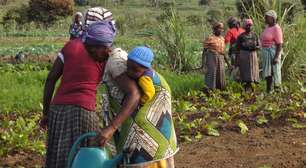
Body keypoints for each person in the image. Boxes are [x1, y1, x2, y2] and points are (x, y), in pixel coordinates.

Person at [41, 21, 118, 168]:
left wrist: (46, 113)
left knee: (59, 155)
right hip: (84, 110)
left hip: (58, 109)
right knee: (87, 156)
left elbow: (51, 79)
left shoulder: (71, 45)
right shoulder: (105, 53)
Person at [101, 46, 178, 167]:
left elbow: (148, 93)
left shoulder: (145, 79)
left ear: (146, 68)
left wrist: (141, 103)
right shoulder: (133, 70)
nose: (130, 72)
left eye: (135, 70)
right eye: (128, 67)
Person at [260, 10, 283, 93]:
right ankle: (269, 89)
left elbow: (279, 44)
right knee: (268, 71)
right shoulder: (267, 27)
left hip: (273, 51)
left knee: (275, 70)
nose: (265, 19)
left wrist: (276, 57)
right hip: (266, 51)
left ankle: (277, 89)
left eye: (267, 17)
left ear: (273, 18)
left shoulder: (277, 28)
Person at [236, 19, 260, 91]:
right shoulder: (241, 36)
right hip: (244, 55)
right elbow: (237, 48)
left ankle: (252, 88)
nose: (249, 27)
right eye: (248, 25)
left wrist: (256, 47)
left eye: (250, 25)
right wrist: (237, 59)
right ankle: (246, 87)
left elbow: (259, 45)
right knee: (245, 71)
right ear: (244, 27)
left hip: (253, 55)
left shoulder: (254, 35)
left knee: (253, 71)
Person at [203, 22, 227, 90]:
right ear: (215, 29)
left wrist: (228, 63)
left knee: (220, 74)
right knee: (212, 74)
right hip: (212, 57)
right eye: (220, 28)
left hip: (220, 58)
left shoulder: (222, 38)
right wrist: (203, 64)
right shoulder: (210, 38)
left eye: (222, 29)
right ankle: (209, 90)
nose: (222, 30)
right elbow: (204, 51)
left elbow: (223, 52)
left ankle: (219, 90)